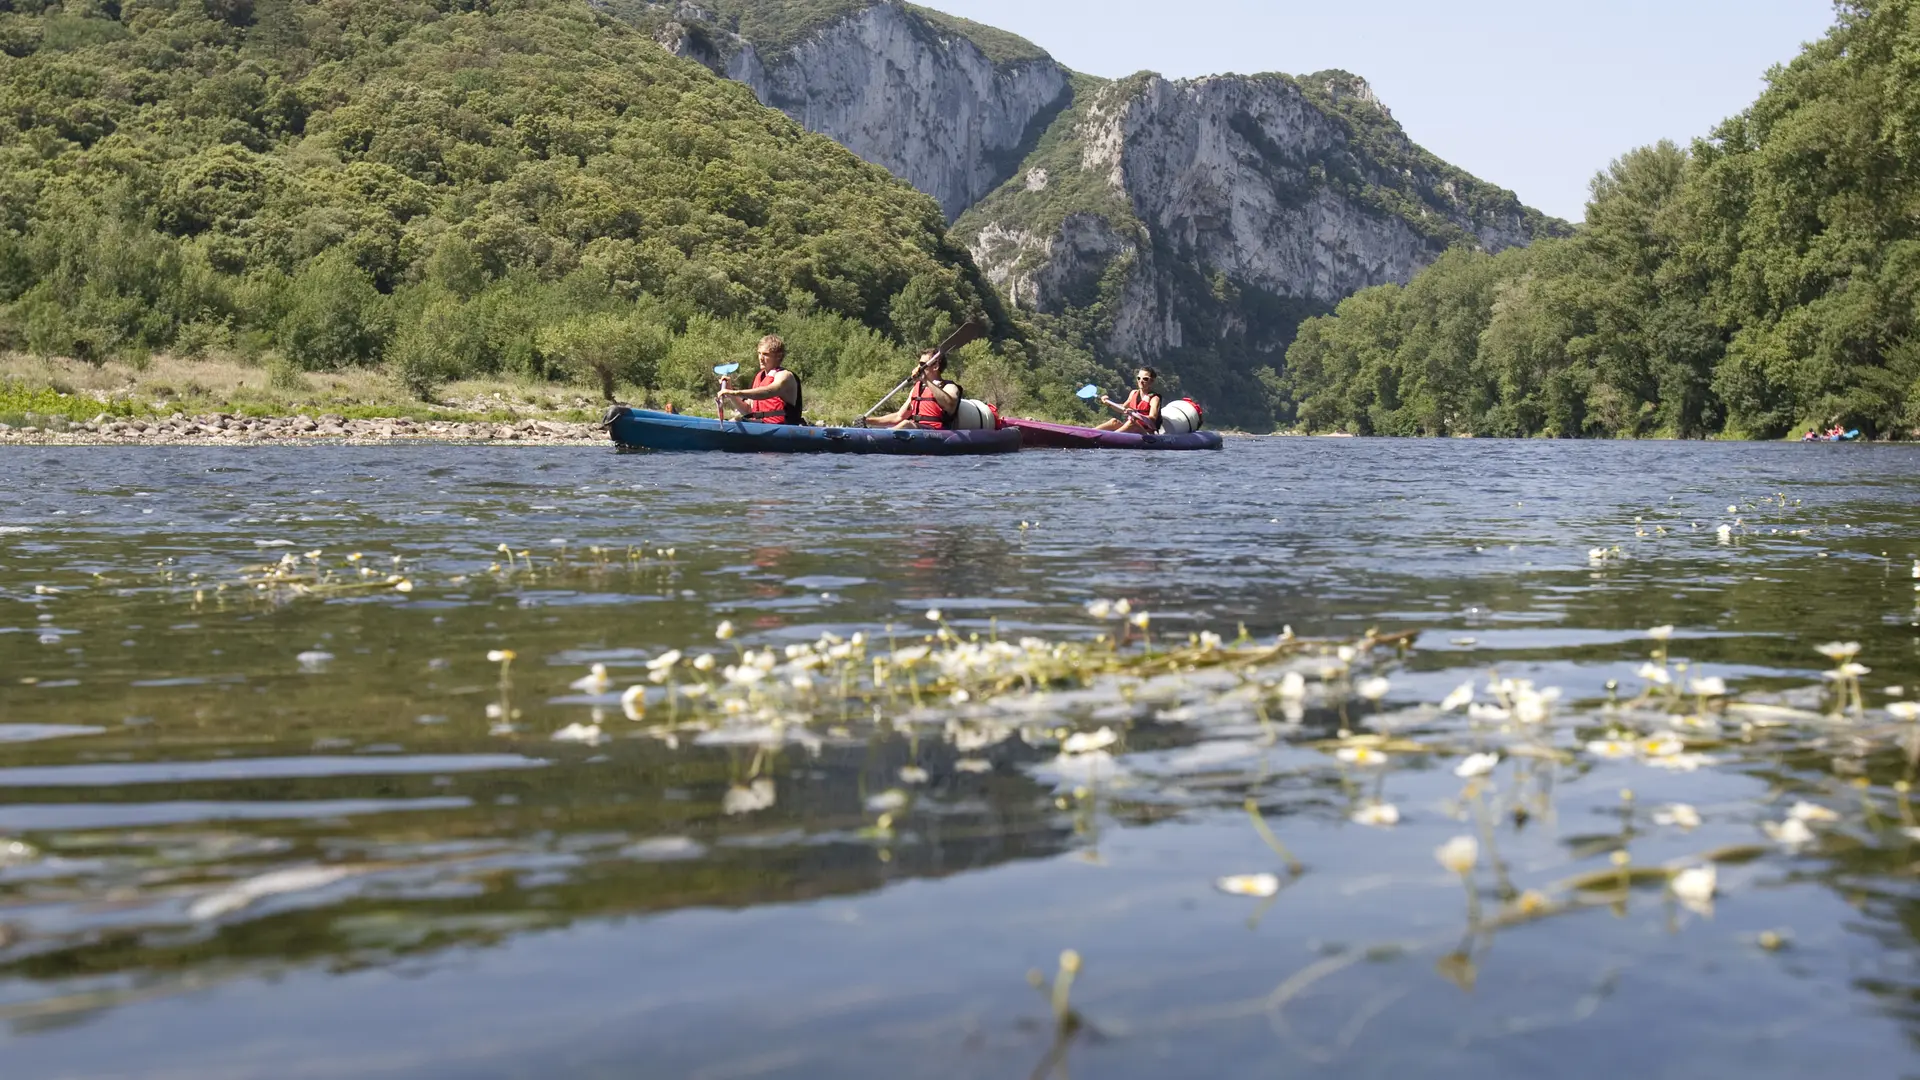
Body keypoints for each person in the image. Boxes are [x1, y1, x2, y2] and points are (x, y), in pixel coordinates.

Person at [717, 335, 804, 425]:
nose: (760, 358)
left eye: (765, 354)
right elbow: (747, 410)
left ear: (778, 356)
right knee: (735, 420)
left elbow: (769, 391)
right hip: (761, 427)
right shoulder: (760, 377)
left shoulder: (785, 376)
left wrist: (735, 392)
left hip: (781, 429)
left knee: (737, 421)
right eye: (759, 353)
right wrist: (730, 392)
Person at [862, 350, 961, 429]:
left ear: (935, 366)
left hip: (936, 433)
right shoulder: (918, 388)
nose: (918, 367)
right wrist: (868, 420)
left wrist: (926, 380)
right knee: (905, 423)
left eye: (922, 364)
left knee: (906, 424)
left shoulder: (949, 387)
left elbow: (950, 405)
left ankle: (883, 438)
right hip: (917, 430)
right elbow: (899, 417)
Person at [1096, 367, 1162, 434]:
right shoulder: (1133, 393)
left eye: (1145, 379)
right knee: (1114, 421)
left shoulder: (1154, 399)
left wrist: (1136, 415)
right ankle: (1088, 435)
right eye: (1139, 378)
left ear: (1152, 381)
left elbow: (1152, 419)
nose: (1141, 381)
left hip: (1147, 433)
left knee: (1132, 423)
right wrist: (1108, 403)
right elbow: (1122, 408)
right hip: (1132, 428)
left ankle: (1108, 438)